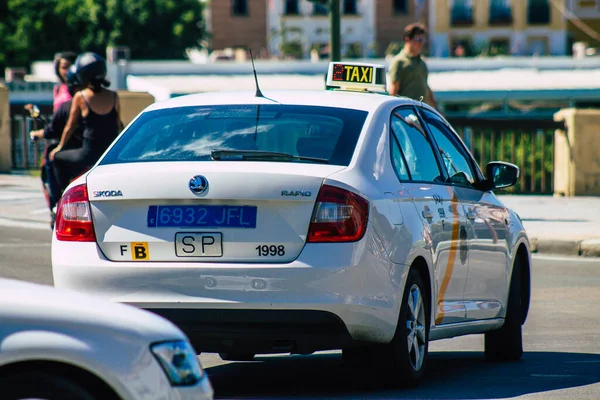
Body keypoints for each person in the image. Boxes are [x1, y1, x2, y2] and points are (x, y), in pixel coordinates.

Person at [50, 52, 122, 196]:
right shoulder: (114, 96)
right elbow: (118, 126)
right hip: (109, 154)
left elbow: (69, 127)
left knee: (56, 159)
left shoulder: (80, 96)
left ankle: (63, 197)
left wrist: (59, 147)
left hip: (88, 154)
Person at [30, 66, 85, 218]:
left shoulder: (72, 104)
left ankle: (58, 201)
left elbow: (61, 128)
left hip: (81, 152)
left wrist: (58, 145)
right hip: (101, 153)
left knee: (52, 156)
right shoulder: (106, 100)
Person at [388, 23, 437, 109]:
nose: (421, 43)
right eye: (418, 39)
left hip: (420, 111)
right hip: (405, 113)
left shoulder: (422, 63)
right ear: (407, 39)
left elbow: (425, 87)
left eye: (422, 40)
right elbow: (393, 91)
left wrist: (437, 110)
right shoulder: (399, 62)